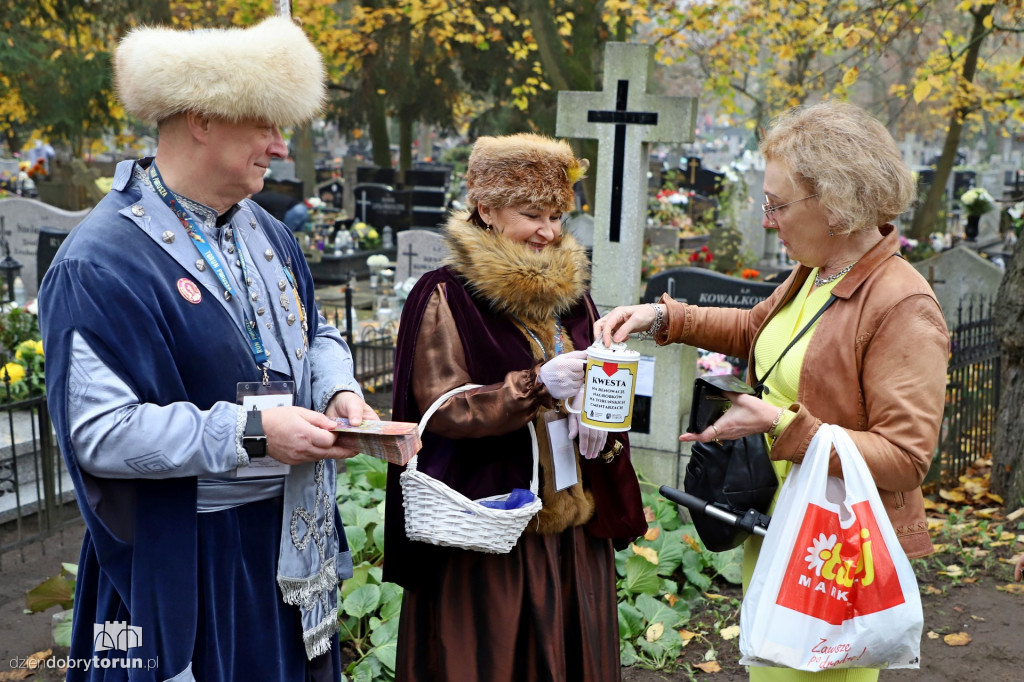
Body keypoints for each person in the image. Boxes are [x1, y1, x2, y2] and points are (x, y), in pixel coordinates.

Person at [38, 17, 377, 682]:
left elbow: (317, 333)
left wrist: (339, 388)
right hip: (191, 567)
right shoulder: (99, 262)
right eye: (266, 124)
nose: (281, 147)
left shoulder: (268, 231)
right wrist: (254, 433)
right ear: (201, 118)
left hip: (286, 554)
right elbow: (98, 434)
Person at [596, 101, 950, 682]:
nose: (769, 219)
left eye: (778, 204)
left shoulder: (901, 305)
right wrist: (660, 318)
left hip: (835, 556)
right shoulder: (819, 270)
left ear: (835, 204)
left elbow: (908, 459)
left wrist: (780, 426)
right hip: (782, 530)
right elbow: (758, 331)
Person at [384, 133, 647, 681]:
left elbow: (596, 368)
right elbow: (445, 407)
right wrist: (533, 386)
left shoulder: (573, 292)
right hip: (493, 530)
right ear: (486, 208)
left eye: (556, 214)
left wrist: (593, 410)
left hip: (573, 527)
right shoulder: (445, 294)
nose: (549, 231)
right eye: (531, 213)